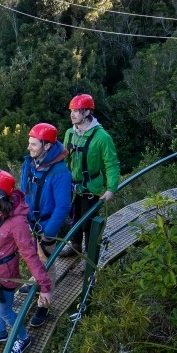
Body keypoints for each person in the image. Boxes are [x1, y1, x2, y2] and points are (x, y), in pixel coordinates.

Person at [0, 169, 53, 353]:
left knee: (5, 310)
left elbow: (30, 255)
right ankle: (1, 333)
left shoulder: (17, 223)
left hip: (4, 274)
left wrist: (45, 286)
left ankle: (23, 338)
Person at [19, 122, 71, 327]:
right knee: (32, 256)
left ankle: (44, 303)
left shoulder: (60, 172)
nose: (29, 148)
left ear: (47, 145)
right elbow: (24, 192)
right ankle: (35, 281)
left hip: (46, 224)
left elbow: (63, 207)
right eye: (29, 143)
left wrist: (48, 234)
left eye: (33, 144)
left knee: (46, 262)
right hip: (30, 221)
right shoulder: (30, 163)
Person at [62, 94, 120, 254]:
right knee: (74, 216)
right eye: (71, 111)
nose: (72, 114)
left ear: (87, 112)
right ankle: (75, 245)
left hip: (91, 186)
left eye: (76, 111)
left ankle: (90, 254)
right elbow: (64, 159)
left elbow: (112, 164)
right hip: (73, 185)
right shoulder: (70, 133)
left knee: (87, 222)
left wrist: (111, 188)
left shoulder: (102, 137)